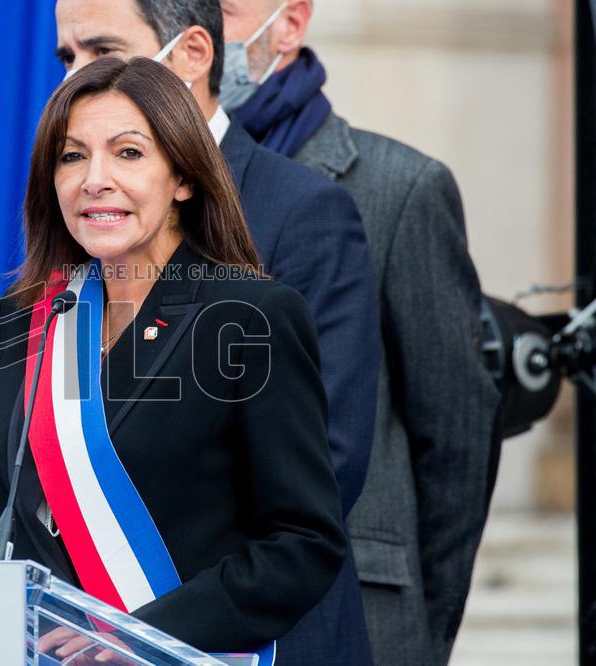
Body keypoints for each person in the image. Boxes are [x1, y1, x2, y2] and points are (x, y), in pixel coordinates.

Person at [0, 56, 347, 660]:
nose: (95, 179)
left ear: (184, 178)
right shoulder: (29, 315)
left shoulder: (248, 317)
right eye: (71, 156)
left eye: (128, 153)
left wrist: (142, 637)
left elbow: (302, 542)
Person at [52, 1, 378, 664]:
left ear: (192, 55)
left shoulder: (303, 210)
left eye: (102, 50)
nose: (75, 78)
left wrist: (144, 627)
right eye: (68, 57)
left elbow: (325, 465)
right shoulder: (54, 297)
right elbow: (25, 497)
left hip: (243, 638)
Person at [219, 2, 503, 664]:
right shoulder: (160, 191)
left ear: (289, 24)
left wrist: (424, 627)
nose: (199, 30)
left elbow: (456, 432)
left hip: (363, 613)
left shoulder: (398, 189)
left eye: (224, 10)